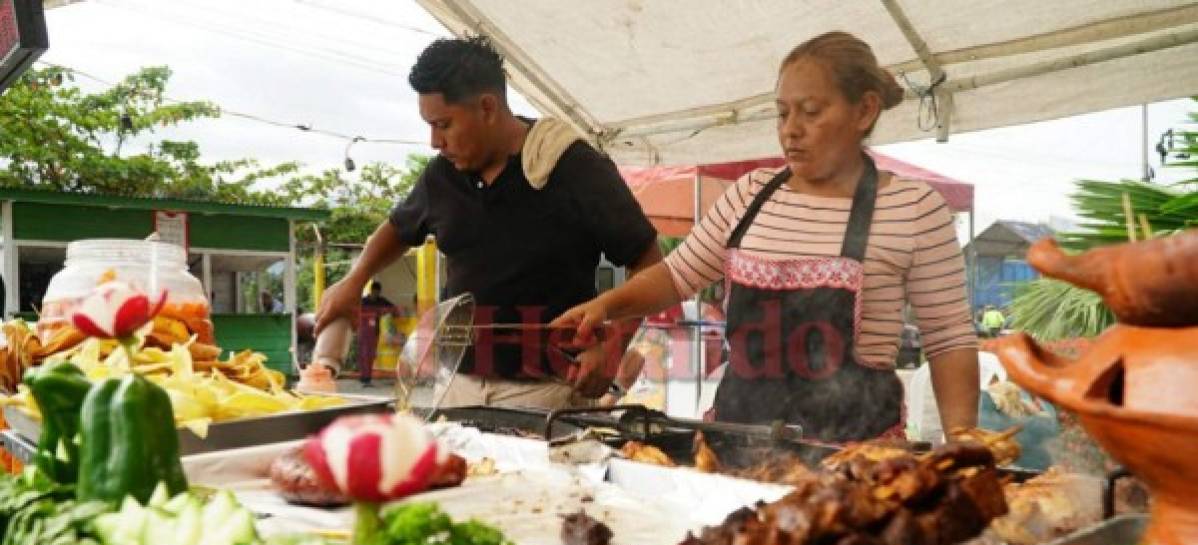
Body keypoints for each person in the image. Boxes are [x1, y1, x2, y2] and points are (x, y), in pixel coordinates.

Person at [553, 32, 980, 443]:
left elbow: (949, 339)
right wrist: (605, 305)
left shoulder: (914, 208)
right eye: (783, 113)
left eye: (810, 111)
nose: (790, 129)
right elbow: (673, 277)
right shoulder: (750, 193)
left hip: (856, 466)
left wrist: (961, 440)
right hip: (738, 448)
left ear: (864, 111)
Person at [315, 36, 660, 408]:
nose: (434, 141)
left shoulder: (572, 166)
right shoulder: (441, 177)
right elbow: (397, 229)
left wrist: (614, 344)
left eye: (444, 125)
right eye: (430, 126)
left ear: (487, 107)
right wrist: (354, 280)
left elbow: (650, 262)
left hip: (547, 392)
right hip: (456, 386)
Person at [357, 281, 396, 386]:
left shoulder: (381, 301)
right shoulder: (363, 301)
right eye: (375, 292)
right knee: (364, 354)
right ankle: (364, 378)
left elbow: (393, 308)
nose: (376, 295)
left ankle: (367, 377)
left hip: (375, 332)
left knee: (371, 355)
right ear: (372, 290)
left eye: (378, 293)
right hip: (364, 331)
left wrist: (386, 312)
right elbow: (357, 312)